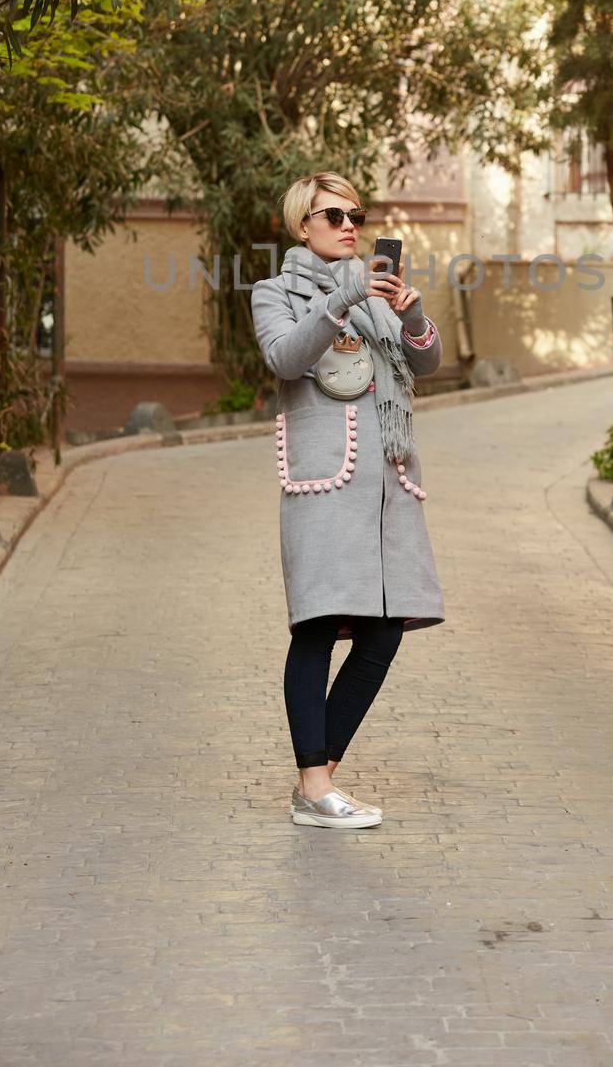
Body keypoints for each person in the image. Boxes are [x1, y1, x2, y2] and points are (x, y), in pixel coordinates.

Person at [250, 172, 445, 829]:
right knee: (315, 626)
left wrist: (412, 316)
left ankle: (316, 780)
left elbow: (425, 363)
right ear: (301, 224)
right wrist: (341, 298)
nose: (348, 224)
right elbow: (284, 357)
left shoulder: (376, 295)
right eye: (332, 215)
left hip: (387, 485)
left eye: (354, 213)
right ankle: (314, 784)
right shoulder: (273, 292)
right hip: (324, 483)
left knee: (384, 629)